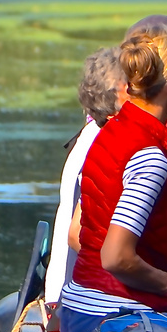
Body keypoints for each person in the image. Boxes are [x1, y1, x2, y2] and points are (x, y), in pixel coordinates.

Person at [57, 25, 167, 332]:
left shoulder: (112, 130)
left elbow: (161, 233)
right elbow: (116, 258)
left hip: (81, 307)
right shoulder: (151, 157)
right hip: (113, 317)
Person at [46, 47, 123, 306]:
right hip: (79, 298)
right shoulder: (106, 145)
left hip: (63, 291)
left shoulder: (89, 136)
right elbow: (79, 236)